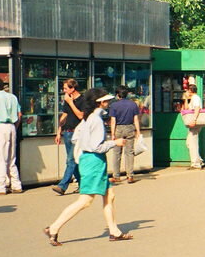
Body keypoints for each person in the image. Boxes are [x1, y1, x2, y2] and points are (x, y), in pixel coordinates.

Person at [43, 89, 132, 244]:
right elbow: (97, 147)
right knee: (85, 200)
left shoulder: (88, 118)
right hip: (94, 161)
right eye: (106, 101)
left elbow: (76, 138)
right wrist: (114, 143)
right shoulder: (96, 120)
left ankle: (114, 231)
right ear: (100, 103)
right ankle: (54, 228)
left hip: (89, 160)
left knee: (109, 195)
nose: (108, 103)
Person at [53, 78, 84, 196]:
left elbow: (81, 115)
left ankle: (62, 186)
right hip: (68, 131)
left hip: (78, 133)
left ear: (73, 89)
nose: (63, 90)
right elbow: (64, 115)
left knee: (70, 160)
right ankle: (82, 185)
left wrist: (71, 103)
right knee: (74, 160)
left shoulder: (82, 100)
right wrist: (59, 131)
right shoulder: (67, 100)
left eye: (66, 88)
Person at [108, 86, 141, 183]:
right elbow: (136, 119)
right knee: (129, 152)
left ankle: (116, 176)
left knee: (116, 153)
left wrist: (113, 133)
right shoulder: (133, 104)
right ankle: (130, 175)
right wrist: (138, 131)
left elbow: (113, 121)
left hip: (118, 128)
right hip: (130, 127)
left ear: (118, 95)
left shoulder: (114, 105)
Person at [184, 83, 205, 170]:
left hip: (194, 123)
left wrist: (194, 120)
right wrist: (185, 99)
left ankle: (196, 164)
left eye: (188, 90)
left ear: (191, 90)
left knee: (192, 143)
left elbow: (197, 108)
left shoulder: (195, 98)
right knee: (189, 142)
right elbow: (186, 109)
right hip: (193, 123)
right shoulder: (192, 98)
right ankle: (199, 160)